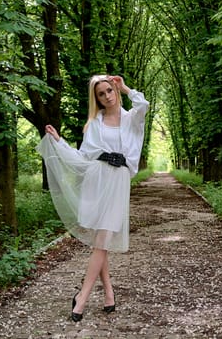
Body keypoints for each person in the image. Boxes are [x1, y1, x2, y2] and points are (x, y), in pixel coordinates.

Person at [36, 75, 149, 322]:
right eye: (101, 93)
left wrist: (126, 88)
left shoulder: (132, 119)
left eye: (109, 90)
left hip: (117, 182)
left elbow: (143, 105)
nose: (107, 96)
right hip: (96, 181)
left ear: (115, 89)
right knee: (102, 241)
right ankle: (108, 295)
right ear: (95, 98)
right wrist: (59, 142)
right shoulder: (94, 124)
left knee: (102, 240)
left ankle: (82, 297)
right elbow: (83, 158)